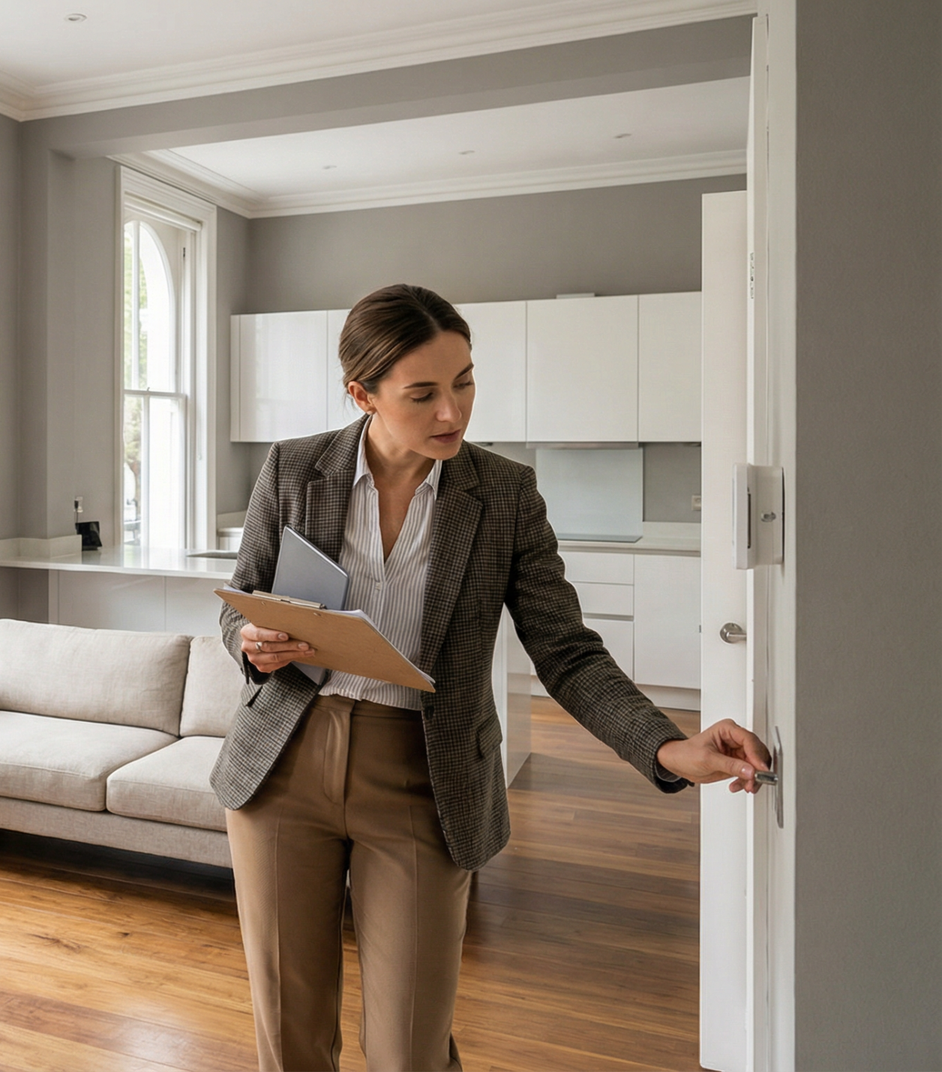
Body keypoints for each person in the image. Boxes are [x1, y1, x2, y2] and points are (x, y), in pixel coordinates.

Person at [215, 283, 770, 1072]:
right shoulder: (293, 468)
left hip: (425, 775)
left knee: (410, 1044)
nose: (453, 412)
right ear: (360, 393)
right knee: (290, 1034)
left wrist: (667, 748)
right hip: (282, 767)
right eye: (424, 393)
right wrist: (254, 639)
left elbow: (566, 651)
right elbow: (240, 604)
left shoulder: (505, 495)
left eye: (464, 381)